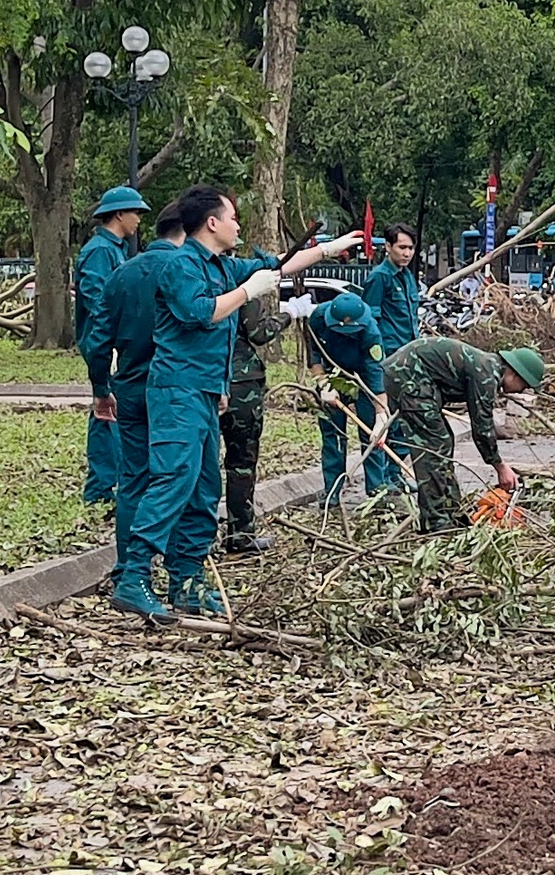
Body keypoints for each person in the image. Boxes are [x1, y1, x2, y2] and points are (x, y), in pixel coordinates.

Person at [131, 187, 358, 620]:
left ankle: (187, 581)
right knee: (174, 480)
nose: (238, 225)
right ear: (211, 223)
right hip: (176, 391)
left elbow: (275, 267)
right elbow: (199, 313)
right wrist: (248, 292)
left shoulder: (222, 266)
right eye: (233, 217)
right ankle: (134, 575)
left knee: (203, 490)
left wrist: (328, 248)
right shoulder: (181, 265)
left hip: (203, 391)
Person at [96, 202, 184, 606]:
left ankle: (126, 568)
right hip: (176, 391)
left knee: (133, 480)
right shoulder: (188, 271)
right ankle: (176, 573)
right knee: (178, 479)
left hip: (129, 384)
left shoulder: (122, 272)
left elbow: (97, 339)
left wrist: (101, 387)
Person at [384, 337, 546, 532]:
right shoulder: (486, 374)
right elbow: (482, 427)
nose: (521, 391)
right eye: (524, 386)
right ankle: (437, 521)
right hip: (407, 376)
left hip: (416, 379)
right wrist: (500, 466)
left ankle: (451, 512)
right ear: (515, 375)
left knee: (443, 441)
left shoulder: (487, 366)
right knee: (434, 446)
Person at [219, 249, 296, 555]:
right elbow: (259, 332)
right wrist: (290, 314)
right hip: (242, 384)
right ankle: (240, 533)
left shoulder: (202, 279)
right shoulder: (245, 287)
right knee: (241, 463)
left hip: (207, 377)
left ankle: (190, 539)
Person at [75, 185, 147, 507]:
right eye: (136, 214)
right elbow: (94, 297)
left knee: (112, 410)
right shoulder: (99, 251)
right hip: (106, 341)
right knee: (106, 410)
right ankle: (100, 489)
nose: (139, 221)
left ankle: (108, 484)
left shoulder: (116, 249)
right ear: (119, 215)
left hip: (114, 339)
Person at [302, 292, 391, 508]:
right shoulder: (317, 318)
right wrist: (324, 384)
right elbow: (313, 354)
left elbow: (375, 370)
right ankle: (332, 489)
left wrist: (381, 414)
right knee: (333, 433)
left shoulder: (370, 329)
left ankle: (376, 489)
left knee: (371, 433)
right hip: (331, 376)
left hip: (361, 377)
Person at [359, 227, 420, 492]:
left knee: (404, 421)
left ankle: (394, 475)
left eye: (410, 248)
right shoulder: (379, 278)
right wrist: (377, 361)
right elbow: (371, 323)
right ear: (388, 247)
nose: (406, 253)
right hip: (387, 361)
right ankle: (378, 485)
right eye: (401, 248)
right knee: (382, 420)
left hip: (410, 359)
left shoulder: (407, 277)